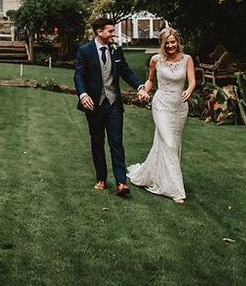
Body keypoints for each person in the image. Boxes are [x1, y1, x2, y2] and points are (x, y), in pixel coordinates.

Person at [74, 16, 149, 197]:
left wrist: (140, 86)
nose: (113, 34)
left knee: (116, 142)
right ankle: (101, 178)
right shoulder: (85, 51)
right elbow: (78, 76)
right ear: (99, 32)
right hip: (94, 104)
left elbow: (126, 71)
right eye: (110, 31)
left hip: (114, 104)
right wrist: (83, 95)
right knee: (97, 141)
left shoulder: (116, 50)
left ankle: (121, 182)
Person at [127, 27, 196, 203]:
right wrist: (144, 91)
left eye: (173, 42)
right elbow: (151, 80)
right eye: (167, 43)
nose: (170, 45)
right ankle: (176, 191)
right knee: (169, 143)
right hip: (161, 106)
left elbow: (192, 81)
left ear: (178, 42)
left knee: (171, 144)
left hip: (179, 108)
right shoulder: (156, 60)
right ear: (162, 44)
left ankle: (156, 175)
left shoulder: (187, 59)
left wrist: (188, 90)